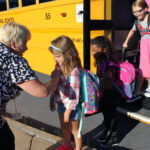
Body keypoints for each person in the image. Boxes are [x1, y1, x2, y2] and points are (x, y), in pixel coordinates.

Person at [0, 22, 60, 150]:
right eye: (24, 43)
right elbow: (42, 91)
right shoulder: (13, 59)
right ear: (13, 43)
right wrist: (56, 77)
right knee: (6, 140)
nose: (26, 48)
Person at [49, 36, 82, 150]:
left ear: (67, 54)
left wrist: (68, 111)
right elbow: (56, 86)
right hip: (61, 103)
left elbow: (74, 94)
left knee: (74, 130)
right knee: (64, 127)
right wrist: (52, 99)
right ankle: (67, 146)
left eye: (57, 56)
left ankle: (77, 148)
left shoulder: (74, 71)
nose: (55, 59)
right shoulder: (59, 67)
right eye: (54, 56)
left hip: (72, 107)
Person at [91, 36, 122, 148]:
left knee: (110, 116)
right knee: (106, 115)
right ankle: (107, 133)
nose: (92, 52)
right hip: (105, 94)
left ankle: (114, 138)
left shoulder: (108, 64)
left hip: (111, 94)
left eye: (95, 50)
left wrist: (95, 84)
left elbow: (108, 84)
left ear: (104, 50)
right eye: (91, 50)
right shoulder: (101, 61)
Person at [123, 0, 150, 99]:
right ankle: (138, 90)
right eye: (134, 12)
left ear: (146, 9)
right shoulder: (137, 21)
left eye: (139, 11)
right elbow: (132, 30)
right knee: (143, 67)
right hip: (144, 44)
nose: (136, 14)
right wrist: (126, 41)